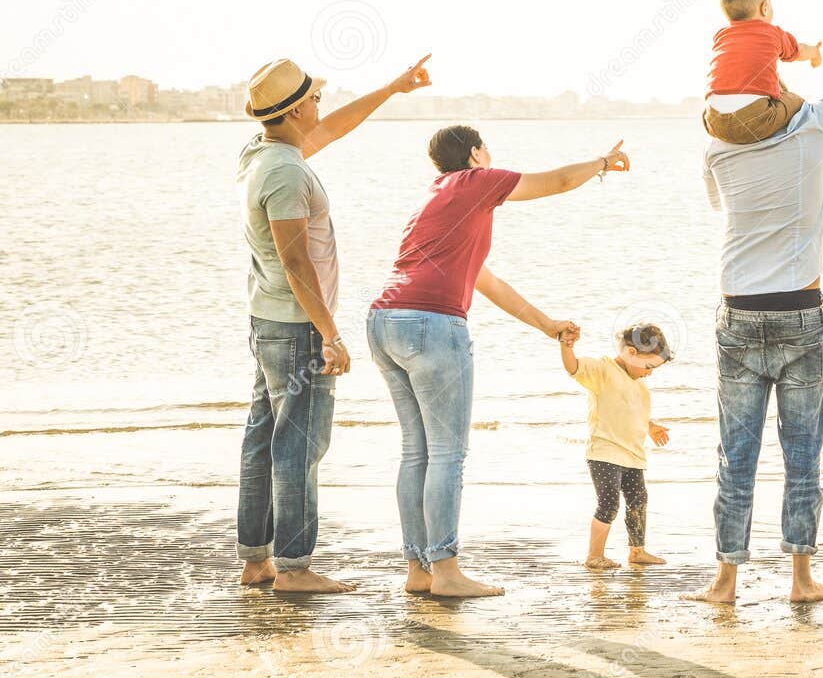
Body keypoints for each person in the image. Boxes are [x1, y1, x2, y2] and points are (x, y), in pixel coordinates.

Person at [367, 125, 630, 598]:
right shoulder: (475, 182)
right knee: (447, 455)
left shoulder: (438, 200)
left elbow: (487, 283)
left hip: (385, 322)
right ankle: (446, 573)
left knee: (417, 453)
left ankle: (418, 570)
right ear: (473, 154)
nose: (491, 155)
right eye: (486, 148)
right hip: (432, 325)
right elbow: (558, 182)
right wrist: (603, 164)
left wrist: (548, 325)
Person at [686, 0, 823, 605]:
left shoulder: (716, 145)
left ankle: (725, 580)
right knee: (802, 452)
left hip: (738, 312)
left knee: (735, 454)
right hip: (801, 311)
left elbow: (719, 208)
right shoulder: (814, 129)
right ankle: (800, 579)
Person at [236, 53, 433, 594]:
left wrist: (392, 88)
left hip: (269, 320)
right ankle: (295, 568)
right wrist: (331, 334)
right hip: (298, 327)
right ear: (297, 109)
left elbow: (334, 128)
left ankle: (257, 560)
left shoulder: (264, 152)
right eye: (316, 99)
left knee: (263, 438)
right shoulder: (285, 170)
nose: (322, 106)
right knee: (300, 445)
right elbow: (296, 261)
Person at [560, 323, 673, 569]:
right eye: (649, 366)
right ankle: (594, 555)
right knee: (609, 502)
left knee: (638, 500)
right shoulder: (603, 370)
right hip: (605, 452)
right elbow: (574, 367)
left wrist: (651, 427)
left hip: (633, 456)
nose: (649, 373)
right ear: (631, 352)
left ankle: (637, 551)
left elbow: (634, 413)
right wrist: (567, 346)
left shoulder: (640, 387)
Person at [702, 0, 823, 145]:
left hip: (713, 121)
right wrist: (815, 54)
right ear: (764, 7)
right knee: (797, 102)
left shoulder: (721, 35)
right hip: (755, 119)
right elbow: (800, 51)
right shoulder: (773, 34)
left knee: (763, 75)